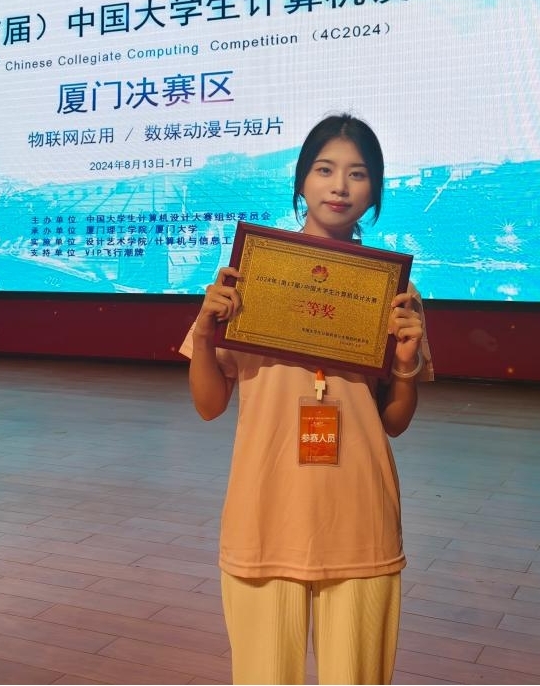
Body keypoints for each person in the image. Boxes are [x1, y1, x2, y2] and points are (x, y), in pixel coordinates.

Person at [180, 113, 434, 685]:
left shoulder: (396, 295)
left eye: (358, 174)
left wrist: (404, 366)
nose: (339, 186)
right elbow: (209, 404)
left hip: (360, 523)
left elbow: (395, 421)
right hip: (264, 518)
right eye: (324, 170)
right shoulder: (249, 278)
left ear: (375, 192)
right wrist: (205, 330)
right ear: (300, 182)